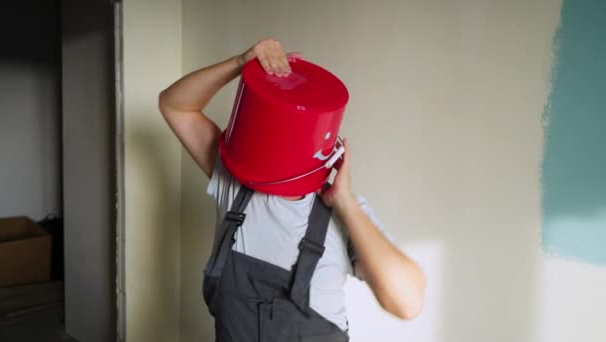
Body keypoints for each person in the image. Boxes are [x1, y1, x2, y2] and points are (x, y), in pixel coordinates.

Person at [159, 38, 426, 341]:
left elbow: (408, 303)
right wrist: (240, 65)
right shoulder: (235, 186)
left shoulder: (343, 212)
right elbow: (175, 105)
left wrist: (344, 201)